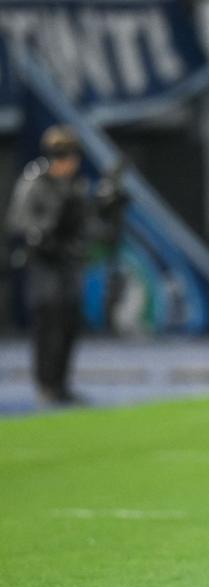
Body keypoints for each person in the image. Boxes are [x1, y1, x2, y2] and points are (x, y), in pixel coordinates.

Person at [5, 126, 113, 406]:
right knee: (48, 322)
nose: (71, 162)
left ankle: (62, 384)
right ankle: (46, 385)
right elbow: (17, 220)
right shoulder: (34, 181)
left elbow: (86, 225)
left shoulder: (74, 185)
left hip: (69, 261)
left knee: (68, 322)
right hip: (44, 263)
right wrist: (40, 234)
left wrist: (103, 211)